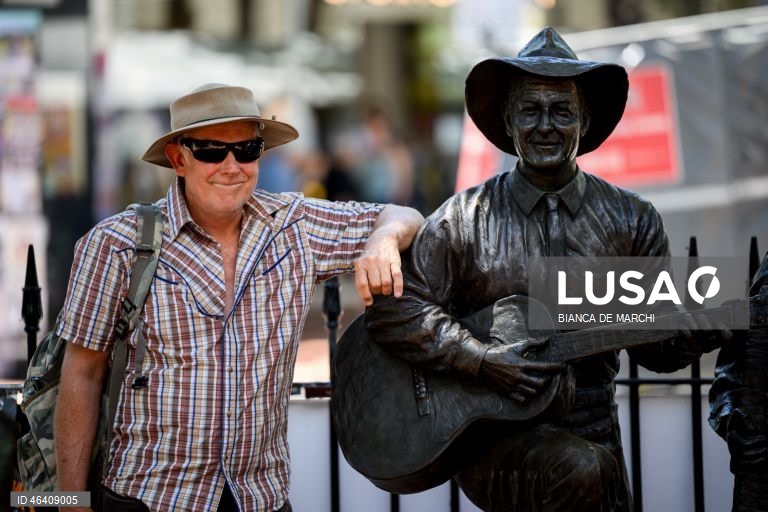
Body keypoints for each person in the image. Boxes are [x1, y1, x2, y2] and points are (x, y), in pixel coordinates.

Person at [366, 28, 721, 511]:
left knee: (592, 469)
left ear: (586, 118)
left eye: (562, 111)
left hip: (595, 430)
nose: (545, 126)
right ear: (508, 120)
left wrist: (709, 324)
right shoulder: (463, 218)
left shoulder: (630, 219)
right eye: (530, 111)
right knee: (582, 470)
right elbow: (393, 312)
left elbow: (657, 350)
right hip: (494, 437)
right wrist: (478, 358)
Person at [54, 83, 424, 512]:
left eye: (247, 149)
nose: (232, 166)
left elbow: (404, 214)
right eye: (212, 151)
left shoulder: (294, 227)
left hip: (260, 500)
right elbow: (80, 374)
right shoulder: (115, 245)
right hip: (149, 498)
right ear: (179, 158)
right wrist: (71, 504)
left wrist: (382, 240)